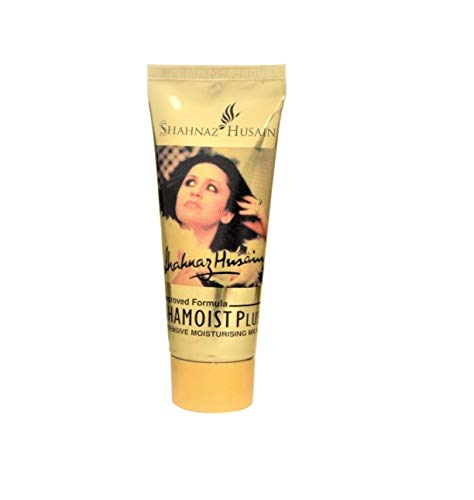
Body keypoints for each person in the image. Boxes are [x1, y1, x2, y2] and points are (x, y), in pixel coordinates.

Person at [159, 153, 267, 252]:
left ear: (227, 214)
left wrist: (266, 226)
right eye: (190, 182)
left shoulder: (239, 264)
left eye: (211, 188)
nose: (195, 191)